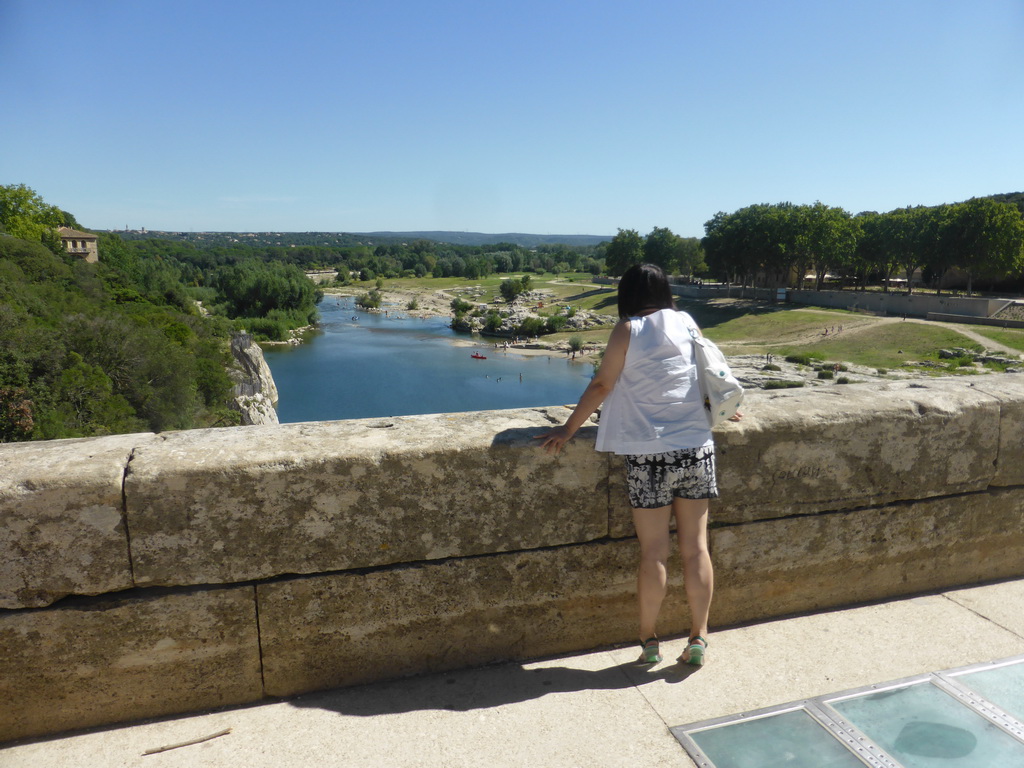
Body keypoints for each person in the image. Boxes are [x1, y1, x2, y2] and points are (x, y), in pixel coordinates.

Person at [536, 264, 739, 667]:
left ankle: (649, 639)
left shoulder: (628, 330)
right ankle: (698, 635)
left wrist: (568, 429)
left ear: (626, 295)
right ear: (665, 292)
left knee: (654, 554)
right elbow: (699, 371)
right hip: (696, 448)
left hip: (649, 455)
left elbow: (602, 385)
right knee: (697, 549)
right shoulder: (686, 321)